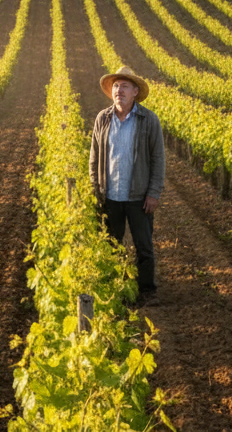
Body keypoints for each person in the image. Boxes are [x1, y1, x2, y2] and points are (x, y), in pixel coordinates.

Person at [88, 66, 165, 306]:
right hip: (110, 195)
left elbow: (158, 159)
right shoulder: (103, 118)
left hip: (138, 195)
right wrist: (95, 190)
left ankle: (147, 291)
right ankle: (115, 289)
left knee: (144, 245)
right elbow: (94, 156)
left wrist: (153, 193)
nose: (118, 90)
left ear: (135, 91)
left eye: (123, 86)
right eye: (115, 86)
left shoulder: (148, 120)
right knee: (112, 244)